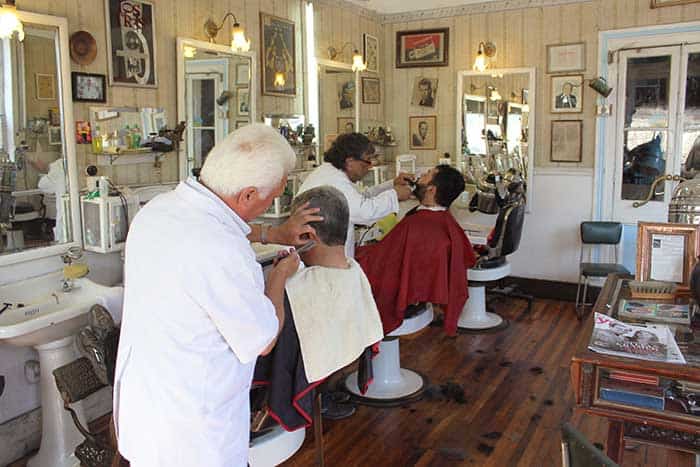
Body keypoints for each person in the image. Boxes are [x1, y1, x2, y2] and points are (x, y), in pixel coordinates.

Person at [113, 124, 320, 467]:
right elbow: (263, 339)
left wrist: (272, 232)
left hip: (145, 409)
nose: (273, 204)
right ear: (249, 195)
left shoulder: (157, 210)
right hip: (193, 432)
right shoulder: (222, 250)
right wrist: (279, 277)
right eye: (273, 197)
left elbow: (223, 222)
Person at [254, 186, 384, 423]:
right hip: (336, 367)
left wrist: (277, 277)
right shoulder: (354, 272)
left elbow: (264, 338)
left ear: (308, 237)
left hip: (283, 382)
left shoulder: (294, 289)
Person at [356, 165, 477, 335]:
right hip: (419, 294)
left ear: (431, 189)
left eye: (427, 174)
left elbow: (382, 263)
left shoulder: (417, 224)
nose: (421, 175)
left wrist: (353, 255)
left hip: (399, 292)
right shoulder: (443, 221)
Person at [296, 132, 413, 258]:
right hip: (322, 258)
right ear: (350, 161)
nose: (370, 166)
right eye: (367, 161)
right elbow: (365, 212)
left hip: (325, 254)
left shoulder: (333, 173)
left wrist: (392, 184)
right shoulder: (334, 180)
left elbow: (362, 196)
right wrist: (395, 195)